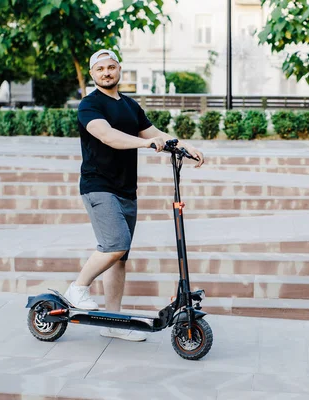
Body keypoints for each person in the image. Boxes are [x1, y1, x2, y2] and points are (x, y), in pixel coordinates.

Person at [64, 49, 205, 341]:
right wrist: (146, 145)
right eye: (100, 69)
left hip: (126, 188)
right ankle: (78, 287)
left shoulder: (129, 105)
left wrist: (183, 146)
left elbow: (153, 131)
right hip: (98, 185)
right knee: (115, 244)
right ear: (93, 75)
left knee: (120, 258)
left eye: (111, 67)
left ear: (119, 70)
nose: (106, 72)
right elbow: (107, 136)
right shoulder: (89, 105)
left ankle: (112, 322)